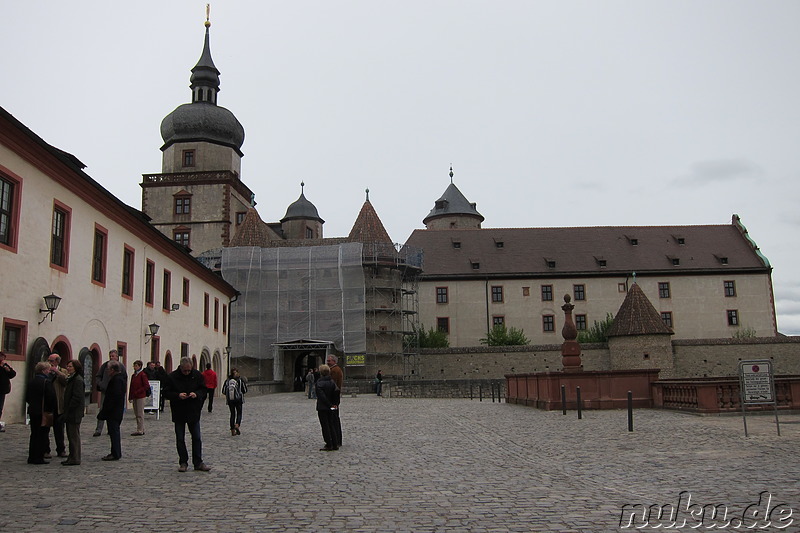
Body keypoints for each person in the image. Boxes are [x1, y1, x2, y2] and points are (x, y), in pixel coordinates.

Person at [164, 357, 210, 472]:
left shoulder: (197, 375)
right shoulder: (172, 377)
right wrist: (177, 395)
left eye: (189, 370)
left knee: (197, 438)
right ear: (181, 367)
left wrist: (197, 394)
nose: (187, 373)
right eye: (185, 371)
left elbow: (204, 390)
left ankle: (198, 462)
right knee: (180, 438)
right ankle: (183, 462)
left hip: (193, 411)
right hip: (179, 411)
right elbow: (166, 392)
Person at [25, 362, 56, 464]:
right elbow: (51, 397)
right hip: (43, 411)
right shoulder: (46, 382)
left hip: (33, 410)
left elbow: (27, 397)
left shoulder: (32, 381)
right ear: (43, 371)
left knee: (34, 434)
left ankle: (32, 456)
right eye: (48, 369)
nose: (49, 371)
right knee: (42, 434)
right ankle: (38, 457)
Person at [93, 349, 127, 437]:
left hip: (116, 391)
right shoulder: (105, 365)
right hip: (105, 390)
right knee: (103, 408)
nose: (111, 357)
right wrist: (101, 384)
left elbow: (125, 378)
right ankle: (98, 429)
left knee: (113, 410)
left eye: (113, 356)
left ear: (117, 357)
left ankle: (111, 428)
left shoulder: (121, 366)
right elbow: (98, 376)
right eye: (110, 356)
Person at [97, 360, 125, 461]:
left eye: (108, 369)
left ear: (113, 370)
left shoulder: (116, 380)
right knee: (114, 432)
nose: (107, 371)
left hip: (113, 411)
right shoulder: (119, 379)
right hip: (116, 411)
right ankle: (115, 452)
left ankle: (115, 453)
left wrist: (105, 411)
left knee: (114, 433)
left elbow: (113, 398)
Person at [61, 359, 85, 465]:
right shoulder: (72, 379)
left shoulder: (77, 380)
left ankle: (75, 457)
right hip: (71, 411)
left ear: (75, 368)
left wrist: (69, 408)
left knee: (74, 435)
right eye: (68, 366)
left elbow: (77, 397)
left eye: (70, 366)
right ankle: (72, 456)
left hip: (74, 412)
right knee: (71, 435)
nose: (68, 368)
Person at [46, 353, 68, 458]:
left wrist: (57, 372)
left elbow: (66, 381)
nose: (50, 363)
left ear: (57, 362)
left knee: (59, 429)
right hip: (48, 404)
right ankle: (46, 450)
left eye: (52, 361)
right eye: (49, 360)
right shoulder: (45, 370)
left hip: (59, 405)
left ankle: (61, 449)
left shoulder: (63, 371)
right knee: (45, 428)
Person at [314, 364, 339, 451]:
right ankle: (335, 444)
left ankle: (329, 444)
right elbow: (337, 392)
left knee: (325, 426)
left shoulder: (319, 383)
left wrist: (329, 404)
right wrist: (335, 404)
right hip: (331, 406)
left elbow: (322, 396)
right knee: (331, 425)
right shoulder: (332, 382)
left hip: (323, 407)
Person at [222, 368, 247, 436]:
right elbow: (244, 390)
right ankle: (237, 424)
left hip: (230, 400)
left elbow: (223, 391)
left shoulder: (227, 381)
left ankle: (232, 430)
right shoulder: (240, 380)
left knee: (232, 414)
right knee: (239, 413)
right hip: (239, 400)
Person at [128, 360, 150, 436]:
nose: (134, 367)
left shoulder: (142, 375)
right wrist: (130, 396)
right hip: (135, 396)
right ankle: (140, 428)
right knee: (136, 413)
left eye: (136, 366)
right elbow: (131, 387)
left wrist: (139, 391)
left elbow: (146, 386)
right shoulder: (134, 375)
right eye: (134, 366)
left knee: (140, 413)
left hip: (140, 396)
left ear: (139, 366)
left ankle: (140, 429)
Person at [327, 354, 343, 448]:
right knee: (334, 418)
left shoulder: (334, 370)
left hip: (333, 400)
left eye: (329, 361)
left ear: (334, 361)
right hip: (334, 399)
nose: (327, 362)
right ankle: (337, 439)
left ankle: (336, 439)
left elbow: (333, 385)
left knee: (334, 419)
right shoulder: (335, 369)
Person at [0, 351, 16, 432]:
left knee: (0, 408)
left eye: (3, 357)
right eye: (1, 357)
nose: (2, 359)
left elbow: (13, 374)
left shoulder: (5, 365)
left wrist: (8, 370)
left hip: (2, 390)